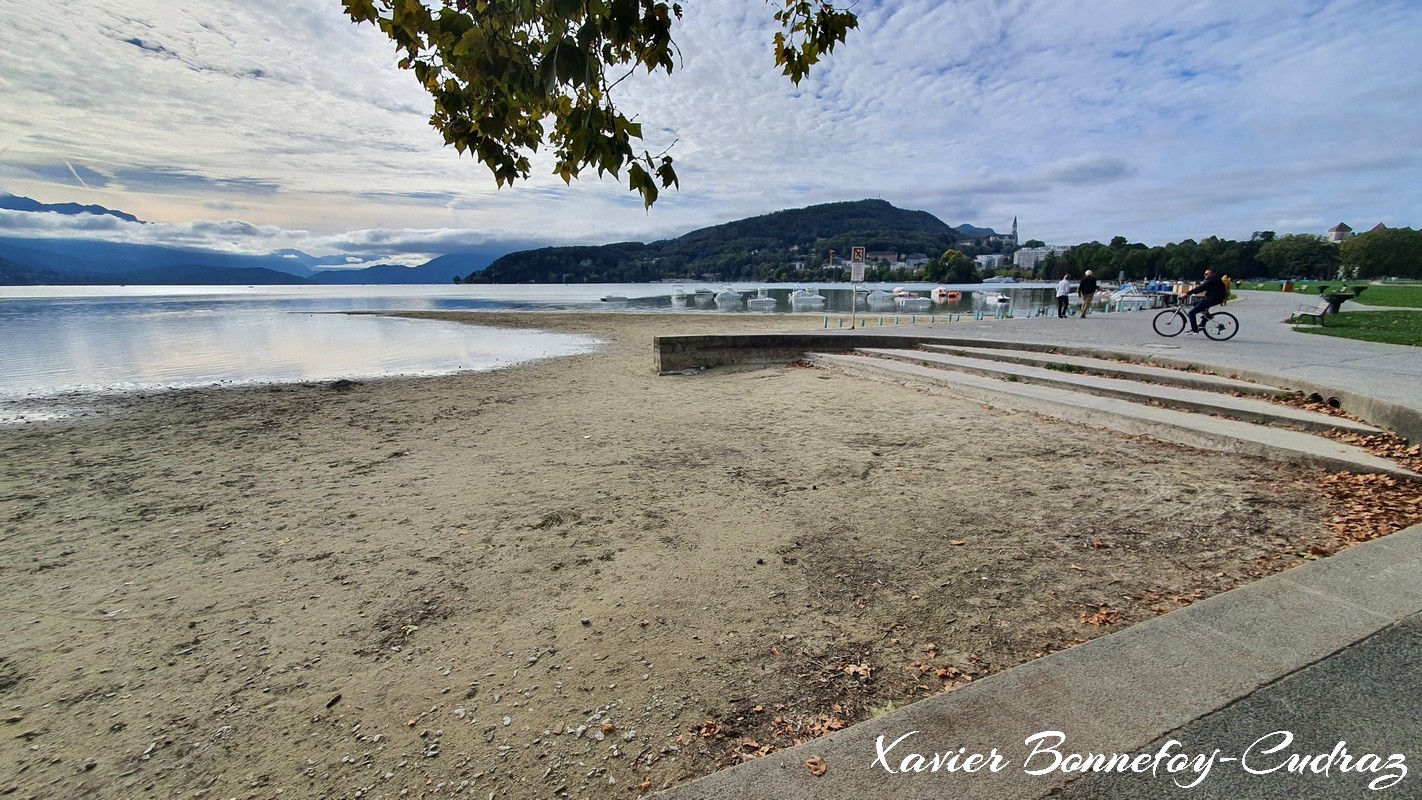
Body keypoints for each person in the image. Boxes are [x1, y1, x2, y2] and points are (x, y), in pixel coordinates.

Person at [1185, 268, 1228, 334]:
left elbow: (1200, 288)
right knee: (1194, 303)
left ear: (1213, 274)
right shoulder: (1213, 280)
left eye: (1207, 274)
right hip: (1212, 298)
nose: (1205, 275)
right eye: (1205, 273)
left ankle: (1194, 330)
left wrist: (1186, 294)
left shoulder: (1212, 281)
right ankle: (1207, 315)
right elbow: (1200, 288)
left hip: (1213, 299)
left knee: (1191, 313)